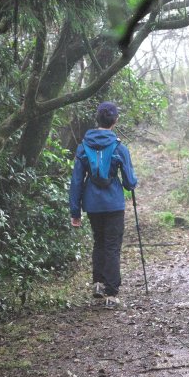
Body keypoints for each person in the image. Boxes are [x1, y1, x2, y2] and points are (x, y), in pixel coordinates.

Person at [69, 102, 138, 308]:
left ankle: (98, 284)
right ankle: (111, 294)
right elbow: (129, 182)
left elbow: (76, 181)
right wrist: (131, 182)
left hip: (92, 204)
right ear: (115, 121)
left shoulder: (83, 147)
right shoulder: (119, 147)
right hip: (114, 204)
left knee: (99, 241)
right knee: (112, 246)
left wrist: (75, 211)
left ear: (97, 120)